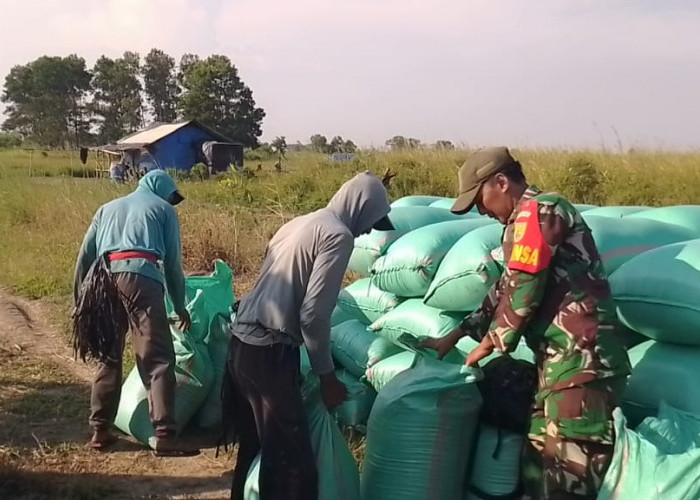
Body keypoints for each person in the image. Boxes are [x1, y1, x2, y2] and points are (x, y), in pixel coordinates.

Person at [422, 147, 630, 499]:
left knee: (568, 481)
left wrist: (492, 344)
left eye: (480, 200)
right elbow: (504, 287)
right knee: (536, 469)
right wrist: (456, 335)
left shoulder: (541, 210)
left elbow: (525, 285)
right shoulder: (520, 225)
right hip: (555, 368)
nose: (481, 211)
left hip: (583, 366)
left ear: (501, 182)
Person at [225, 171, 395, 500]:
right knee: (291, 462)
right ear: (360, 208)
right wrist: (327, 377)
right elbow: (314, 315)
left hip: (241, 346)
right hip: (267, 353)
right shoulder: (338, 235)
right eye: (372, 221)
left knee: (257, 447)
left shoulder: (299, 223)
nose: (368, 230)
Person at [73, 169, 198, 457]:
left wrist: (80, 298)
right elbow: (173, 264)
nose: (171, 200)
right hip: (141, 278)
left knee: (109, 354)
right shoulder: (163, 210)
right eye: (170, 195)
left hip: (103, 280)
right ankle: (165, 435)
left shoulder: (107, 208)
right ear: (160, 189)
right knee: (157, 358)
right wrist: (179, 307)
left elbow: (85, 256)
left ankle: (100, 430)